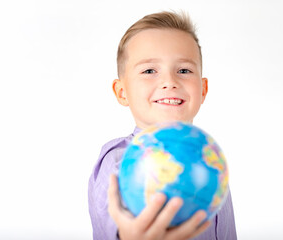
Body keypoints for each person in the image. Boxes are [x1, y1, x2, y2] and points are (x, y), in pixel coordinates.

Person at [88, 11, 237, 240]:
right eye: (149, 71)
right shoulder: (117, 160)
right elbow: (112, 217)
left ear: (203, 89)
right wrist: (129, 234)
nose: (169, 82)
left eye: (184, 70)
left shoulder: (210, 158)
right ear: (122, 92)